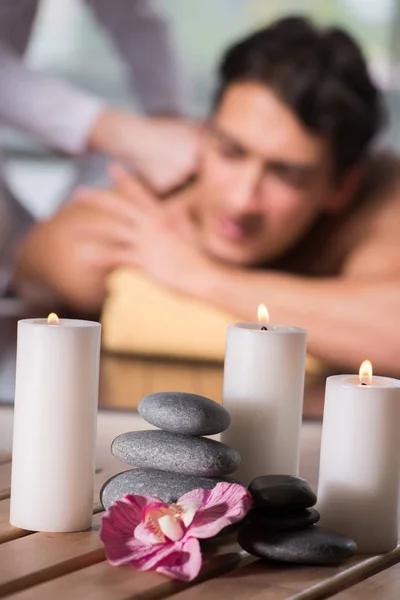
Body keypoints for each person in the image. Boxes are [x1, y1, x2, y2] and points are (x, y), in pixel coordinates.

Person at [13, 17, 400, 375]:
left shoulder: (382, 198)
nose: (241, 200)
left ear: (342, 188)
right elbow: (43, 262)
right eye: (231, 151)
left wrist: (197, 275)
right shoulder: (169, 191)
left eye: (287, 175)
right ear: (204, 134)